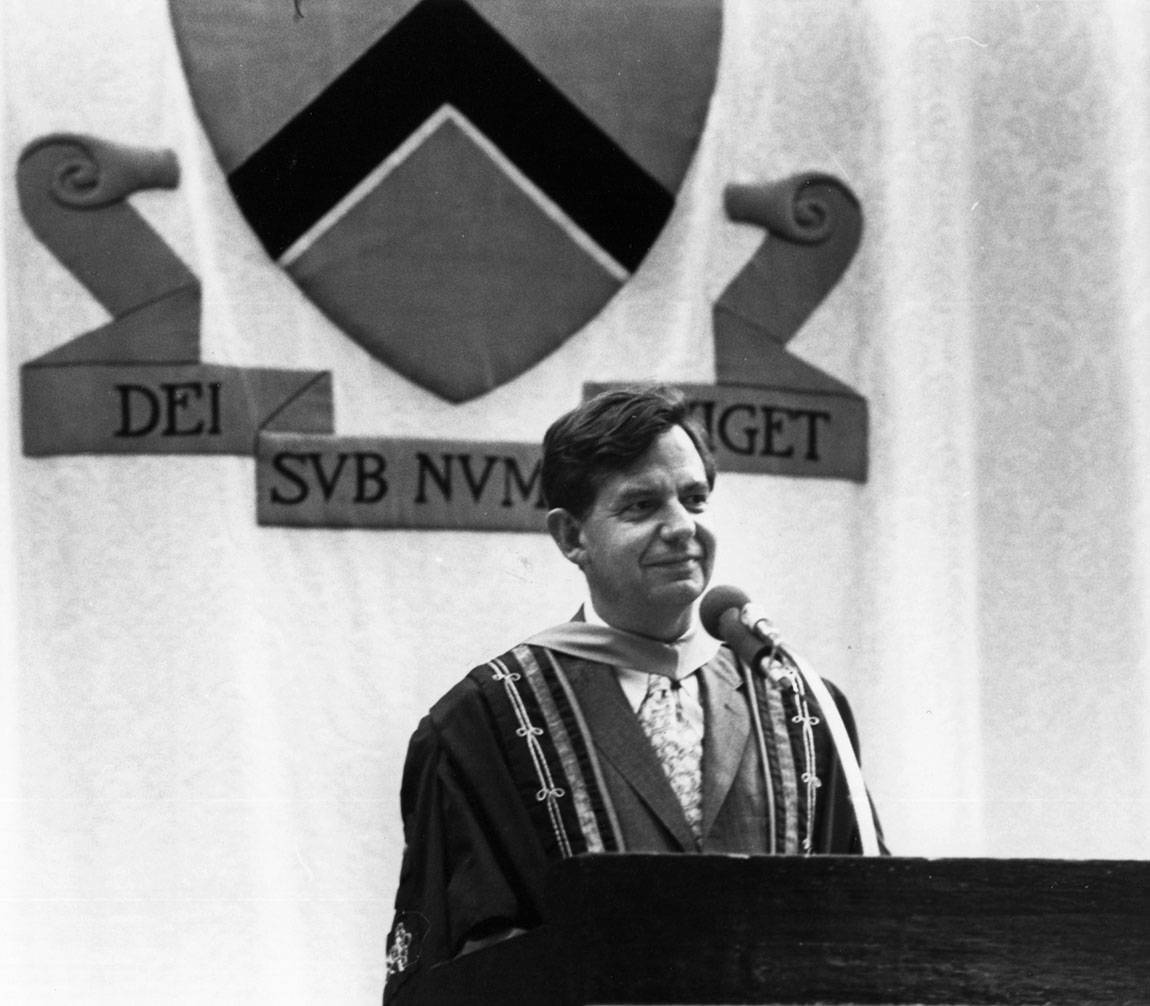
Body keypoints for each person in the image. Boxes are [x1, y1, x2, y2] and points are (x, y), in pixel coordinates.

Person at [383, 385, 883, 1001]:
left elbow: (871, 932)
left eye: (695, 500)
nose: (682, 529)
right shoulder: (480, 725)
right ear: (571, 536)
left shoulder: (802, 706)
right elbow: (452, 971)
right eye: (642, 506)